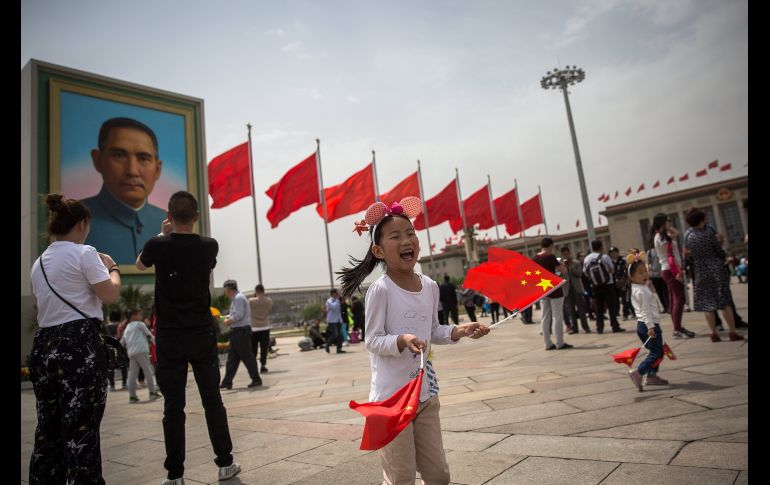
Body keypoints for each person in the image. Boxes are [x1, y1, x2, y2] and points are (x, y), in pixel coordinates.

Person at [338, 197, 490, 484]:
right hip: (391, 400)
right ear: (379, 250)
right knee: (401, 476)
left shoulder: (429, 286)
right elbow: (372, 340)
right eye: (395, 236)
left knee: (438, 474)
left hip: (425, 395)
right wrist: (401, 340)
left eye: (410, 234)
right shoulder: (380, 290)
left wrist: (459, 331)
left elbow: (433, 331)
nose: (406, 240)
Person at [135, 191, 241, 484]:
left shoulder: (157, 245)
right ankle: (225, 463)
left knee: (173, 406)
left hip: (169, 336)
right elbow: (208, 266)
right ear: (196, 216)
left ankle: (175, 474)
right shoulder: (209, 246)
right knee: (212, 400)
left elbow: (141, 264)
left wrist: (162, 233)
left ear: (169, 216)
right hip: (200, 333)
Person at [28, 193, 122, 484]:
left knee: (48, 428)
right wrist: (113, 269)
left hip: (44, 346)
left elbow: (39, 306)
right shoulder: (85, 253)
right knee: (81, 428)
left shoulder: (39, 263)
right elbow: (110, 294)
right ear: (81, 224)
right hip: (78, 345)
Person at [82, 117, 167, 264]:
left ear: (158, 169)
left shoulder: (168, 222)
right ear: (98, 160)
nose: (132, 171)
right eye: (119, 155)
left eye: (143, 158)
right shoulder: (73, 221)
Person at [683, 208, 744, 343]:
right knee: (724, 302)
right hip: (715, 268)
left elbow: (687, 252)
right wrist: (724, 256)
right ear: (701, 219)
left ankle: (713, 333)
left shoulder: (688, 235)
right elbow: (718, 250)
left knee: (707, 303)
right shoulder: (709, 230)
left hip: (700, 270)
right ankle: (733, 332)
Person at [626, 255, 669, 391]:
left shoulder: (637, 288)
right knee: (657, 352)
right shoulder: (641, 291)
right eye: (640, 273)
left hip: (643, 325)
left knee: (656, 351)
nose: (645, 274)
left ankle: (651, 375)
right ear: (631, 277)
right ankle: (640, 372)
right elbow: (645, 311)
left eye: (645, 271)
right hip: (648, 325)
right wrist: (651, 326)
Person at [650, 213, 696, 339]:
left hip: (669, 269)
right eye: (668, 221)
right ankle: (677, 329)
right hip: (671, 270)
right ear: (663, 223)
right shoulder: (662, 237)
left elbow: (676, 233)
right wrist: (678, 272)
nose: (670, 223)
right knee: (679, 299)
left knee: (674, 299)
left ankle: (678, 327)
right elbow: (670, 257)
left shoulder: (662, 236)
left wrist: (668, 228)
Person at [220, 280, 262, 389]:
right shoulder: (236, 299)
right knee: (232, 358)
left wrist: (228, 321)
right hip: (237, 332)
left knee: (247, 356)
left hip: (241, 331)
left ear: (229, 289)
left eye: (225, 290)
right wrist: (226, 317)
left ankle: (256, 379)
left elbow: (238, 315)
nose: (225, 293)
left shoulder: (238, 298)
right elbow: (235, 314)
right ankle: (227, 381)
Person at [533, 238, 573, 350]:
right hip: (554, 289)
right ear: (551, 246)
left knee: (545, 317)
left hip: (542, 289)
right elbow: (563, 271)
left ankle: (547, 343)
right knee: (557, 316)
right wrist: (561, 263)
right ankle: (560, 342)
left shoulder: (535, 258)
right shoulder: (550, 257)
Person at [583, 240, 626, 334]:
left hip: (595, 286)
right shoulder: (605, 257)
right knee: (611, 306)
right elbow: (612, 269)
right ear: (601, 247)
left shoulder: (587, 259)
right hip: (608, 284)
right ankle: (615, 326)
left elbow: (586, 273)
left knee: (598, 307)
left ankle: (600, 328)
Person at [120, 308, 162, 403]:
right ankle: (152, 393)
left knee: (132, 374)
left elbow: (122, 341)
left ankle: (132, 396)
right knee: (147, 370)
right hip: (142, 350)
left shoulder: (127, 327)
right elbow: (149, 335)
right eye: (140, 314)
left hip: (131, 352)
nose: (141, 316)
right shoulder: (140, 324)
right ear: (134, 316)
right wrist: (157, 344)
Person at [560, 246, 590, 333]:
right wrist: (563, 269)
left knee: (581, 309)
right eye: (564, 254)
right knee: (571, 310)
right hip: (567, 289)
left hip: (577, 288)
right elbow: (559, 277)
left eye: (567, 254)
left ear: (569, 253)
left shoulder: (576, 263)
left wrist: (571, 269)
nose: (566, 256)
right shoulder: (561, 265)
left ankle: (585, 327)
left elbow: (580, 274)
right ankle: (575, 328)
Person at [249, 284, 273, 373]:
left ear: (256, 291)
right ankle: (263, 365)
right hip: (265, 326)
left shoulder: (251, 301)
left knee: (253, 349)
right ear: (263, 291)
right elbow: (269, 309)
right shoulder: (268, 301)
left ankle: (253, 366)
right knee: (264, 348)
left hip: (254, 328)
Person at [105, 309, 128, 391]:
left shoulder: (107, 326)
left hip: (110, 348)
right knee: (123, 365)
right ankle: (124, 383)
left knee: (111, 366)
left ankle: (112, 385)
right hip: (121, 347)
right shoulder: (121, 325)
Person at [324, 289, 345, 354]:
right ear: (332, 294)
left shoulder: (337, 300)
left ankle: (339, 349)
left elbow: (338, 311)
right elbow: (334, 307)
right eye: (336, 293)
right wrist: (337, 299)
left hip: (338, 320)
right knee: (335, 334)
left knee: (340, 335)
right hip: (332, 320)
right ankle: (327, 344)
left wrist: (340, 319)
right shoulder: (329, 301)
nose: (337, 294)